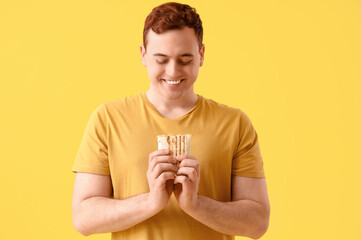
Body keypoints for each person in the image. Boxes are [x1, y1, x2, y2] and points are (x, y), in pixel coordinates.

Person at [72, 2, 270, 240]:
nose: (173, 71)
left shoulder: (235, 124)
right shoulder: (107, 120)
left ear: (201, 55)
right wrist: (150, 201)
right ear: (143, 55)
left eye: (185, 60)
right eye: (161, 60)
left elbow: (257, 223)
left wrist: (195, 204)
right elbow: (83, 218)